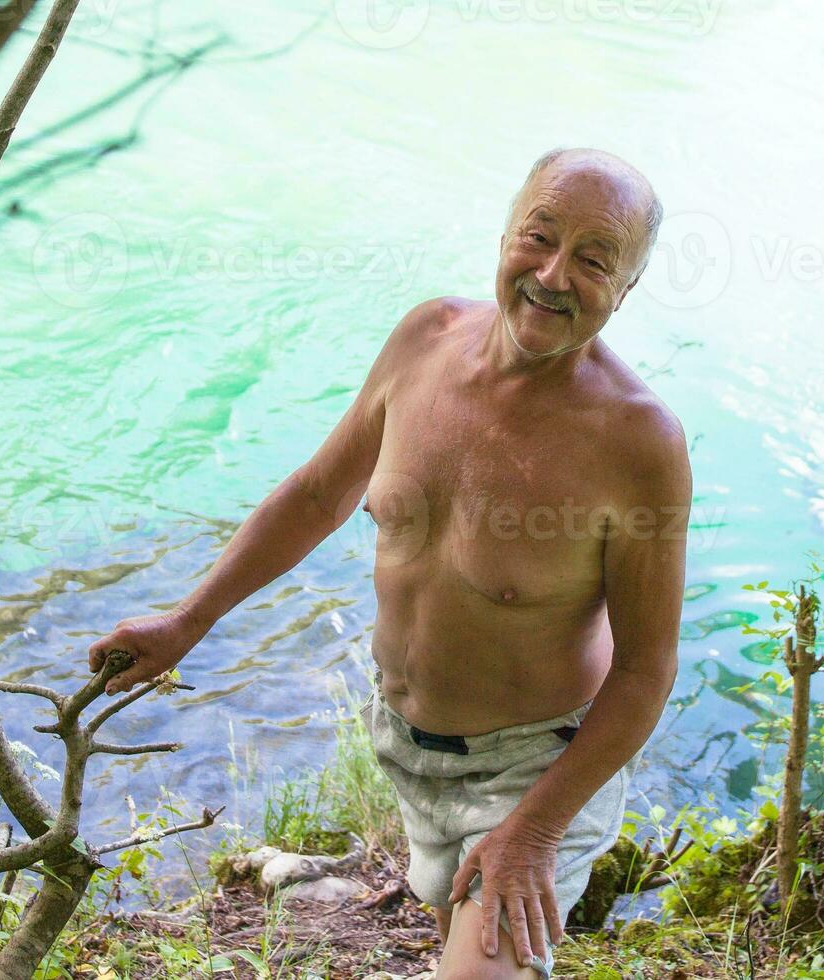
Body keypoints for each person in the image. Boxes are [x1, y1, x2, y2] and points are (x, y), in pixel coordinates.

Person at [88, 147, 690, 978]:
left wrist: (537, 829)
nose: (552, 275)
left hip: (537, 766)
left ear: (623, 291)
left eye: (592, 261)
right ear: (506, 233)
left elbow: (647, 669)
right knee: (453, 924)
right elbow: (316, 495)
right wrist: (187, 621)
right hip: (407, 747)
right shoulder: (425, 339)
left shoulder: (637, 443)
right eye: (538, 237)